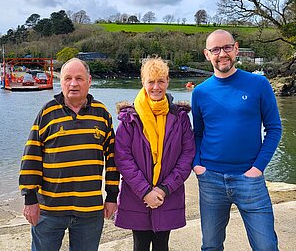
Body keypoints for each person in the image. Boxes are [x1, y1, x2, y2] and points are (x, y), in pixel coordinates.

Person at [191, 30, 282, 251]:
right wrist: (197, 165)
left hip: (250, 178)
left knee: (266, 246)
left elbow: (274, 129)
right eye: (215, 50)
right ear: (207, 54)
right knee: (211, 246)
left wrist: (257, 168)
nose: (222, 54)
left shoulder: (258, 84)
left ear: (236, 48)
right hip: (210, 179)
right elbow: (197, 134)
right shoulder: (200, 92)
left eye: (227, 48)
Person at [19, 58, 120, 251]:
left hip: (89, 210)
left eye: (79, 78)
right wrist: (29, 198)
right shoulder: (48, 112)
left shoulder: (102, 114)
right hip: (49, 209)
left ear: (89, 81)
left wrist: (112, 196)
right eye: (68, 78)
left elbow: (113, 158)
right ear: (61, 82)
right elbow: (31, 156)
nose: (73, 83)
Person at [114, 57, 195, 251]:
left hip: (168, 194)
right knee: (140, 245)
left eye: (161, 81)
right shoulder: (130, 118)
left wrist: (163, 189)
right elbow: (123, 158)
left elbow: (187, 155)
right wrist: (145, 191)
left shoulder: (180, 117)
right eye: (151, 81)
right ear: (143, 82)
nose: (156, 87)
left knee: (162, 245)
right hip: (136, 195)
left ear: (167, 81)